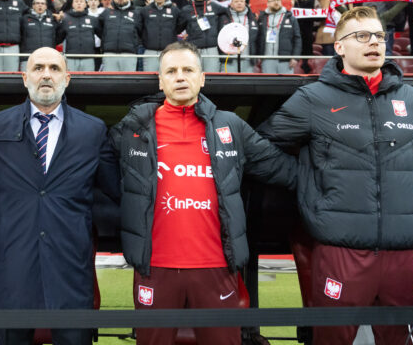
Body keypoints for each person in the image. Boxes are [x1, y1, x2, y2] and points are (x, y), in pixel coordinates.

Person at [258, 6, 413, 345]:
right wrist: (304, 176)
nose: (375, 43)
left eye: (380, 36)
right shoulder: (314, 98)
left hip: (402, 253)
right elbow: (263, 147)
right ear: (339, 46)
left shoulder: (409, 98)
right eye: (362, 36)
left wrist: (408, 170)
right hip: (341, 251)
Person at [0, 47, 120, 345]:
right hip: (13, 264)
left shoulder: (92, 131)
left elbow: (118, 190)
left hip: (70, 265)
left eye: (54, 68)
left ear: (67, 78)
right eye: (38, 67)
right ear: (24, 78)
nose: (46, 74)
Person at [110, 41, 297, 344]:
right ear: (160, 80)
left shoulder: (230, 126)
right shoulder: (134, 129)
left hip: (216, 266)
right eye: (171, 71)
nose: (180, 77)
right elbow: (101, 167)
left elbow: (281, 169)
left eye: (188, 70)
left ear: (202, 77)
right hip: (154, 266)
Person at [178, 0, 225, 72]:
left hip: (212, 48)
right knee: (194, 75)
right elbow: (178, 28)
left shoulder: (213, 6)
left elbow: (228, 11)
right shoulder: (186, 10)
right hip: (194, 48)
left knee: (212, 77)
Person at [137, 0, 183, 72]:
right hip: (150, 51)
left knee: (168, 77)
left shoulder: (174, 10)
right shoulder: (145, 10)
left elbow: (179, 27)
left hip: (169, 51)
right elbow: (139, 28)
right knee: (149, 78)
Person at [254, 0, 301, 74]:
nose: (276, 2)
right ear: (268, 3)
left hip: (285, 59)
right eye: (273, 1)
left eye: (278, 0)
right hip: (267, 59)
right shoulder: (262, 18)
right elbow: (257, 38)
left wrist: (295, 57)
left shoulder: (290, 18)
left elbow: (297, 39)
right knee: (269, 84)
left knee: (286, 84)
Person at [99, 0, 141, 72]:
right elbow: (99, 29)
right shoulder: (107, 12)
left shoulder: (136, 13)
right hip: (109, 54)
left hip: (129, 54)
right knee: (109, 83)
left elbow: (141, 31)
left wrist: (134, 43)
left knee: (128, 83)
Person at [58, 0, 102, 72]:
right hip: (71, 57)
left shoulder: (93, 20)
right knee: (71, 81)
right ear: (72, 4)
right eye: (76, 1)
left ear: (85, 4)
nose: (79, 3)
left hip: (88, 57)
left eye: (81, 1)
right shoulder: (66, 20)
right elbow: (58, 38)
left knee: (88, 82)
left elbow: (103, 36)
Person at [218, 0, 259, 73]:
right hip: (229, 59)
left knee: (247, 84)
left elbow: (258, 39)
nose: (239, 3)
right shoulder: (223, 18)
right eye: (236, 1)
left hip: (248, 59)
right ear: (231, 4)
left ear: (245, 3)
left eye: (241, 1)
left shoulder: (252, 18)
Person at [20, 0, 60, 72]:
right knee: (27, 81)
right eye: (37, 3)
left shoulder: (52, 19)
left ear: (46, 6)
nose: (40, 5)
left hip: (48, 58)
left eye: (42, 3)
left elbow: (59, 36)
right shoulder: (24, 19)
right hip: (29, 57)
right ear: (33, 6)